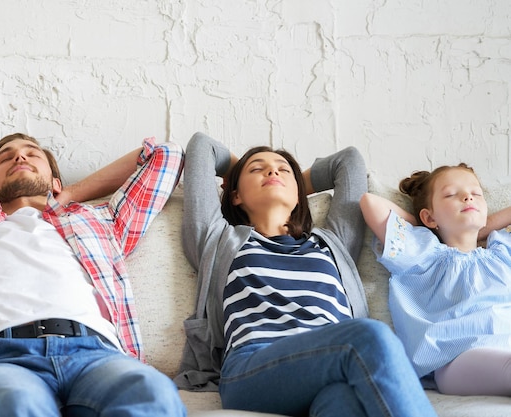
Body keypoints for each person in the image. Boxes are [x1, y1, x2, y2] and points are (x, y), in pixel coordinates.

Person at [0, 133, 186, 416]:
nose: (19, 158)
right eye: (7, 158)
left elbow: (166, 155)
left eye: (32, 154)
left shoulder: (100, 221)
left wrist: (66, 194)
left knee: (152, 394)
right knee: (16, 404)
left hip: (97, 354)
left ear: (54, 180)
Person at [175, 132, 436, 416]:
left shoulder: (332, 243)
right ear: (235, 195)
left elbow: (348, 161)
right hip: (253, 368)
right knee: (371, 336)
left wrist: (289, 183)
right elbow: (202, 146)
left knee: (344, 402)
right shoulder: (218, 240)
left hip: (333, 368)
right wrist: (242, 170)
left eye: (283, 169)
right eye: (257, 168)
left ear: (300, 195)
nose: (273, 170)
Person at [360, 163, 511, 396]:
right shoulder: (423, 253)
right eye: (452, 194)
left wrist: (483, 229)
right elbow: (370, 202)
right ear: (429, 217)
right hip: (457, 360)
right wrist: (428, 228)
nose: (467, 198)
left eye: (476, 193)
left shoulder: (502, 252)